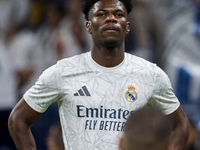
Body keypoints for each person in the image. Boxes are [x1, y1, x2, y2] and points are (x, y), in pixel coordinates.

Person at [8, 0, 189, 150]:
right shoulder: (63, 71)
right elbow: (18, 119)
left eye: (118, 14)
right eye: (101, 14)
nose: (110, 19)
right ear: (88, 26)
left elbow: (182, 124)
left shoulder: (151, 74)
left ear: (127, 26)